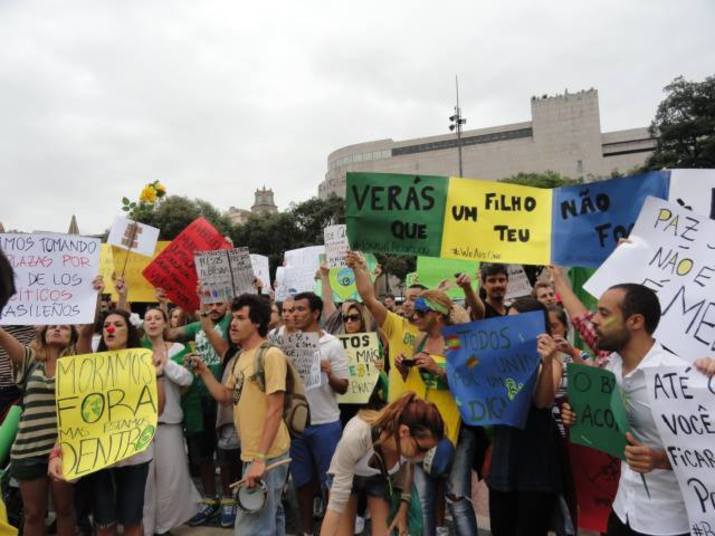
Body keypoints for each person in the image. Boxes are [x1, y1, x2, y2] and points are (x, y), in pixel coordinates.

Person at [561, 284, 691, 536]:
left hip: (669, 523)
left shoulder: (680, 376)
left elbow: (707, 450)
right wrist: (577, 415)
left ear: (635, 321)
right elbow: (604, 423)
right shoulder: (610, 367)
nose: (595, 320)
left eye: (604, 313)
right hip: (622, 511)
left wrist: (660, 460)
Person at [49, 308, 166, 536]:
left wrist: (158, 374)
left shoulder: (144, 361)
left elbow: (158, 409)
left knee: (132, 522)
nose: (110, 328)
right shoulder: (89, 366)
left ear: (129, 331)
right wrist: (57, 451)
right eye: (106, 325)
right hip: (99, 458)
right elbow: (74, 416)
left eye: (118, 324)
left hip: (135, 457)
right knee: (104, 523)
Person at [190, 293, 291, 535]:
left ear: (256, 322)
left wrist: (259, 460)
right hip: (255, 453)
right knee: (271, 519)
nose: (232, 323)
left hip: (267, 455)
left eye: (240, 317)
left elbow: (275, 409)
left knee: (252, 526)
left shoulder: (271, 355)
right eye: (232, 317)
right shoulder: (239, 358)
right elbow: (226, 396)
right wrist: (204, 371)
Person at [396, 290, 483, 536]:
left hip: (454, 430)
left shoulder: (455, 340)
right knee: (423, 499)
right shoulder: (419, 341)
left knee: (457, 500)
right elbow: (416, 382)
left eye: (421, 313)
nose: (415, 317)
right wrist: (405, 370)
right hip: (423, 429)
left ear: (437, 315)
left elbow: (472, 377)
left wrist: (440, 371)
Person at [487, 297, 564, 536]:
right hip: (504, 457)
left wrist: (547, 361)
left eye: (518, 321)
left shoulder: (551, 359)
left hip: (534, 463)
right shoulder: (500, 356)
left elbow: (542, 401)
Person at [320, 392, 445, 536]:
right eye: (422, 449)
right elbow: (335, 508)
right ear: (404, 431)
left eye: (428, 450)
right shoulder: (357, 435)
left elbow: (407, 468)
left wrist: (403, 509)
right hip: (346, 476)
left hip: (380, 478)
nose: (423, 456)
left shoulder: (407, 446)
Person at [0, 324, 79, 536]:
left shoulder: (79, 367)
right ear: (43, 333)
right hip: (28, 450)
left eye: (64, 328)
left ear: (73, 337)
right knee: (33, 514)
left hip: (65, 450)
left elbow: (88, 332)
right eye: (52, 326)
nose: (57, 329)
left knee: (65, 510)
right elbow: (4, 338)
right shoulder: (30, 361)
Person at [166, 296, 230, 525]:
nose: (214, 308)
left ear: (228, 305)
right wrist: (164, 304)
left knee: (224, 454)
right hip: (197, 398)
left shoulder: (229, 322)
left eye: (219, 303)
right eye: (209, 303)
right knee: (203, 455)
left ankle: (229, 502)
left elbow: (223, 350)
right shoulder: (195, 326)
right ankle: (210, 501)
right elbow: (169, 335)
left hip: (222, 397)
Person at [290, 291, 349, 536]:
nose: (294, 314)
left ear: (315, 313)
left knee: (330, 483)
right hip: (296, 425)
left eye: (300, 309)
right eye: (292, 310)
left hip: (326, 424)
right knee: (302, 483)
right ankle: (306, 530)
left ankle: (330, 529)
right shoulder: (283, 342)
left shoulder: (332, 344)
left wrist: (329, 373)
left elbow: (344, 387)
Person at [141, 306, 201, 535]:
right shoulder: (136, 351)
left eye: (158, 318)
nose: (153, 322)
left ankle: (164, 527)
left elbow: (187, 379)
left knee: (170, 480)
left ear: (166, 323)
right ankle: (145, 528)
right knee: (144, 482)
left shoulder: (178, 349)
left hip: (170, 424)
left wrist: (164, 363)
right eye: (148, 318)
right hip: (142, 426)